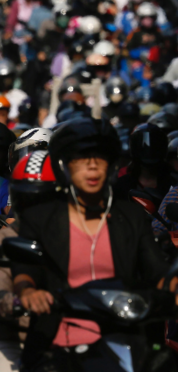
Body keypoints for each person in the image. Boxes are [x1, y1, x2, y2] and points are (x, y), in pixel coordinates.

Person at [12, 117, 170, 369]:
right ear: (64, 166)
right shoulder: (41, 219)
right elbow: (24, 272)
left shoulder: (131, 216)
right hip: (60, 342)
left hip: (125, 336)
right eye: (81, 160)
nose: (92, 167)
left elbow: (155, 269)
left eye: (100, 159)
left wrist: (170, 284)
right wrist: (29, 292)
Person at [0, 150, 63, 372]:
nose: (35, 208)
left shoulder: (77, 233)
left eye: (43, 199)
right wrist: (17, 302)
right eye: (27, 199)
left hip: (70, 334)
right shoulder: (7, 236)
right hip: (13, 339)